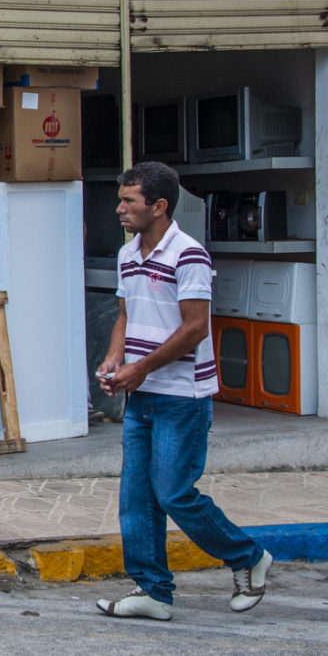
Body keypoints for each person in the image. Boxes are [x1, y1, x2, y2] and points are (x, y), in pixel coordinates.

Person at [95, 161, 271, 621]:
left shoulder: (189, 255)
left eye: (128, 201)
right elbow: (126, 315)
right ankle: (153, 591)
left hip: (183, 394)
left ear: (159, 206)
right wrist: (117, 359)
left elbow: (195, 329)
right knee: (136, 498)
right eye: (121, 199)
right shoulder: (128, 253)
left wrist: (142, 369)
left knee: (173, 493)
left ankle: (248, 557)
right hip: (143, 393)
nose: (119, 209)